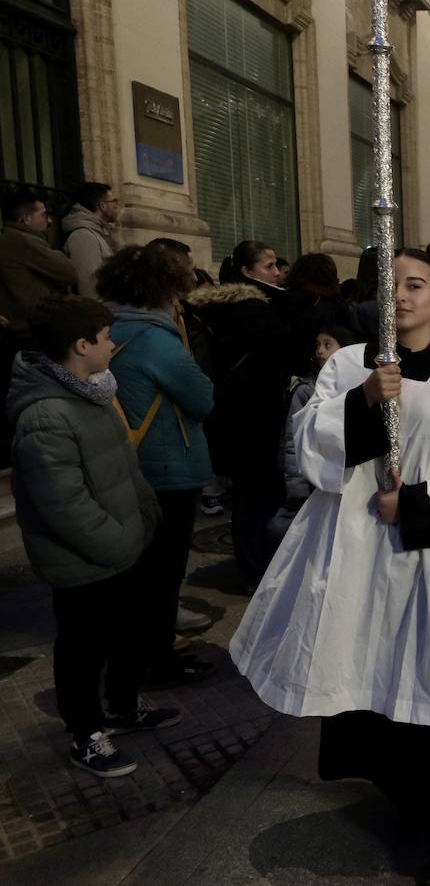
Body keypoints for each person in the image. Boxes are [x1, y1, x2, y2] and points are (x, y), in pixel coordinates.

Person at [230, 249, 430, 885]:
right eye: (392, 286)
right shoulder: (349, 367)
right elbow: (309, 447)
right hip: (362, 560)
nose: (402, 297)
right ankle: (406, 802)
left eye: (416, 285)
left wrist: (410, 503)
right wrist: (360, 399)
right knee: (379, 682)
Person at [9, 296, 176, 778]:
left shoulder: (93, 392)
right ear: (81, 345)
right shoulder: (46, 415)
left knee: (126, 634)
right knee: (82, 649)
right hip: (83, 560)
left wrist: (144, 513)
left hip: (121, 546)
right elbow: (64, 507)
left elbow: (124, 467)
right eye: (105, 338)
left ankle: (123, 709)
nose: (113, 345)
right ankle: (85, 734)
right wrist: (122, 541)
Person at [99, 244, 219, 685]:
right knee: (162, 573)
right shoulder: (155, 337)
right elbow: (202, 398)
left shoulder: (105, 328)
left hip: (123, 463)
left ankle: (134, 654)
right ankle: (156, 657)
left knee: (137, 570)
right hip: (167, 467)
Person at [186, 241, 293, 591]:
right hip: (254, 419)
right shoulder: (255, 310)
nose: (276, 273)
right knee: (257, 500)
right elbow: (287, 348)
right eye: (269, 266)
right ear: (247, 273)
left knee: (248, 499)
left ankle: (252, 568)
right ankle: (258, 571)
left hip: (233, 418)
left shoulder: (218, 309)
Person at [272, 323, 357, 549]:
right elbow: (293, 440)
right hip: (313, 479)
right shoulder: (306, 390)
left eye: (328, 345)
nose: (320, 351)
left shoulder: (357, 385)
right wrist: (296, 486)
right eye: (318, 345)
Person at [0, 190, 78, 339]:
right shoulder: (24, 241)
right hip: (30, 330)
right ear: (26, 219)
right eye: (44, 215)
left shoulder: (8, 238)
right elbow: (69, 272)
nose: (49, 221)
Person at [62, 182, 120, 297]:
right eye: (113, 201)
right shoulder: (83, 236)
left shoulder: (100, 233)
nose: (116, 205)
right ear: (102, 206)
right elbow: (89, 287)